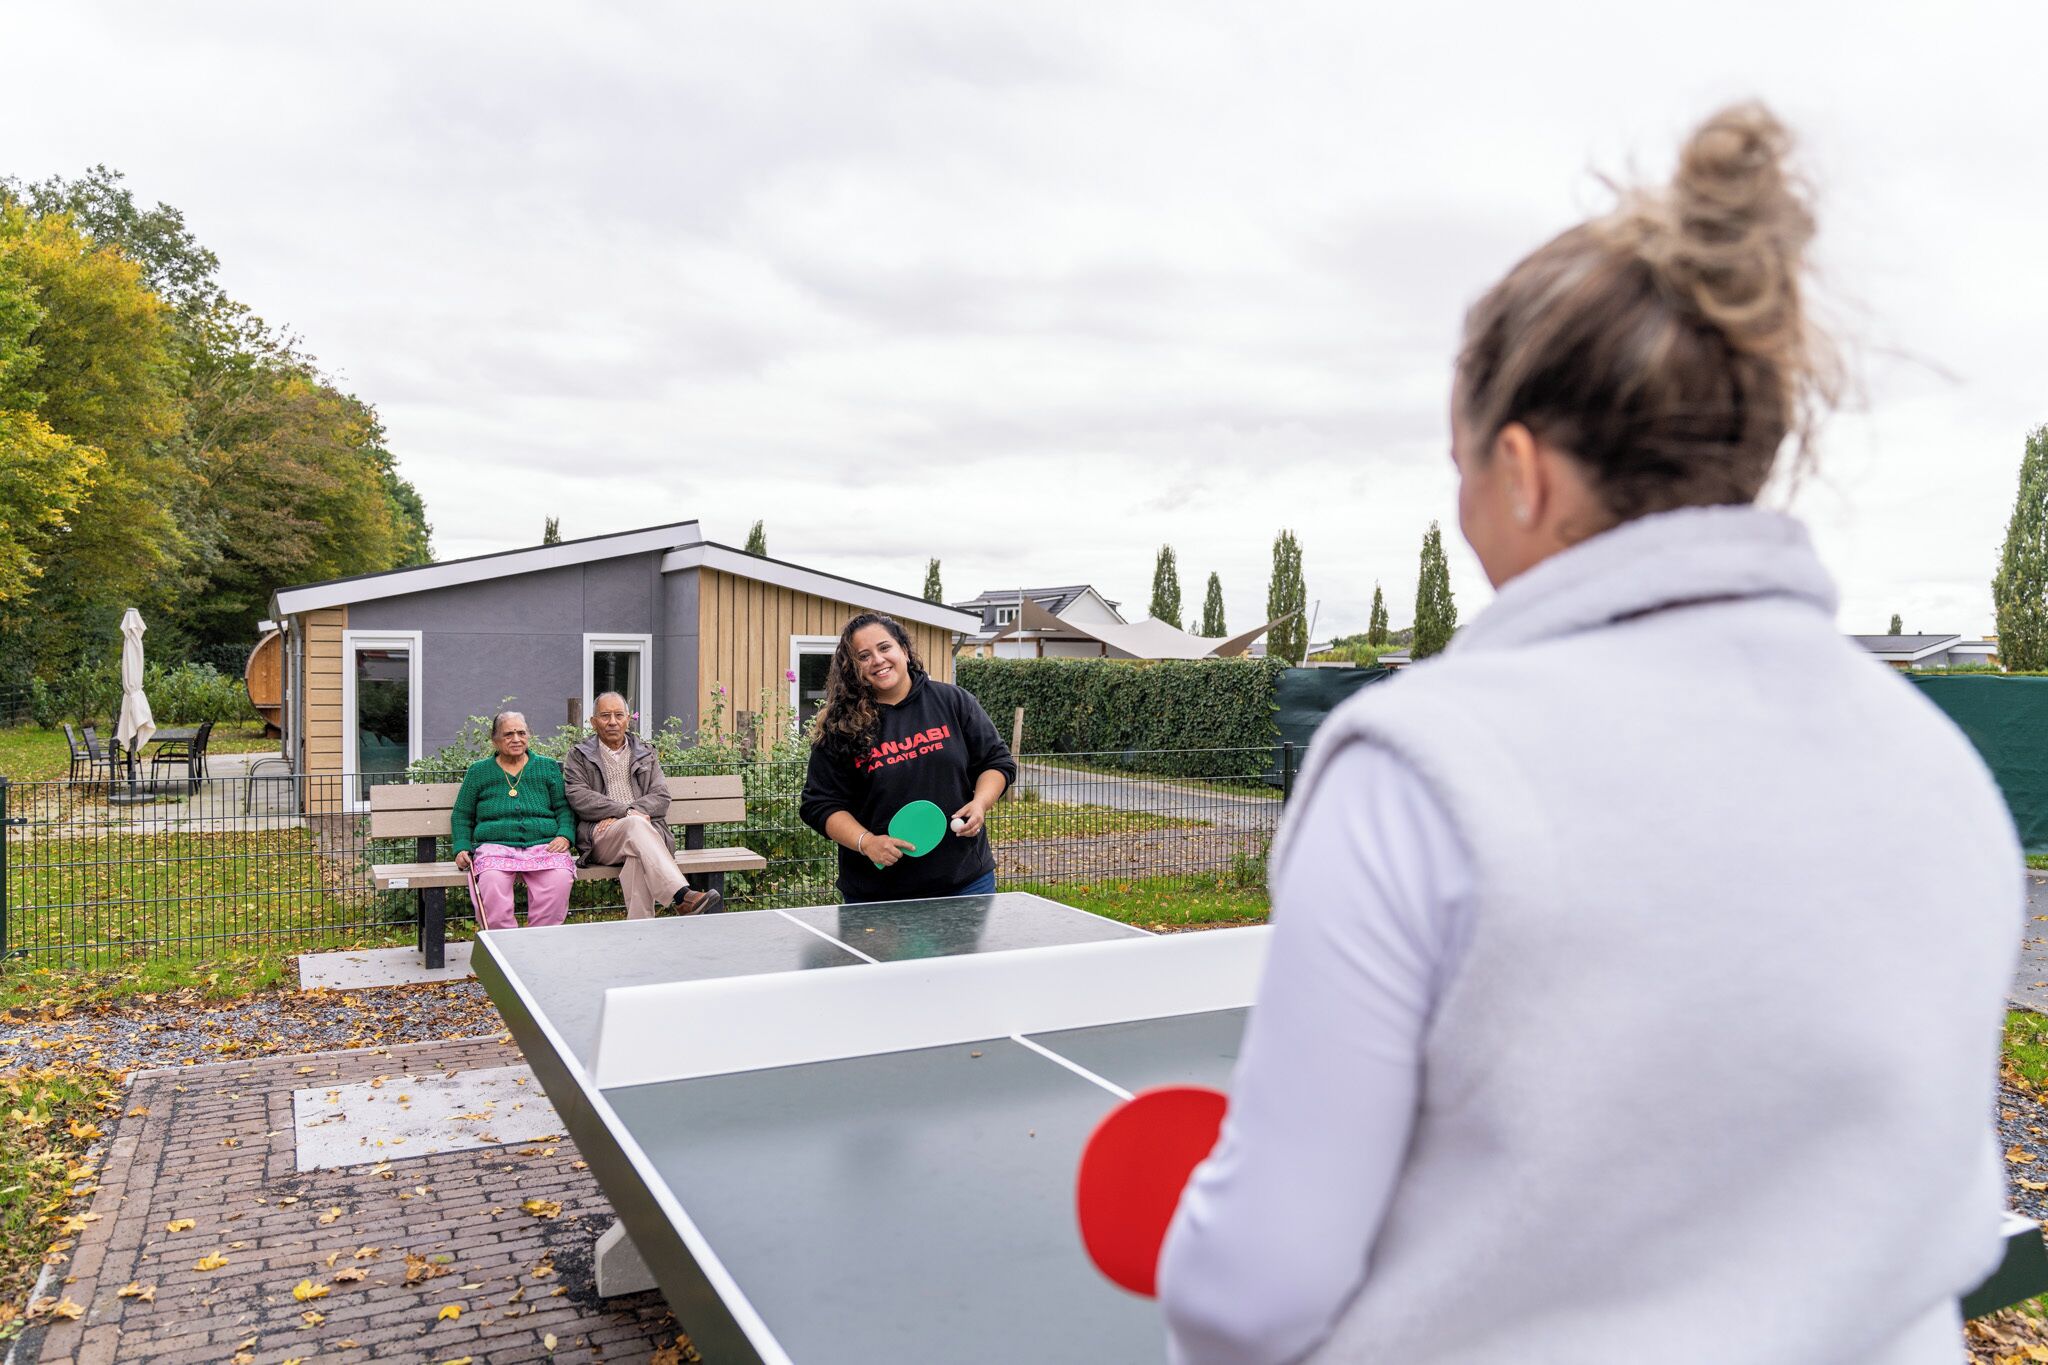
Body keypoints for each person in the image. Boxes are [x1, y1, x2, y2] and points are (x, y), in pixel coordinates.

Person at [1157, 104, 2021, 1363]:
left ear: (1520, 470)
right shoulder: (1941, 768)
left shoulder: (1417, 772)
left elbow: (1251, 1293)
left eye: (1457, 464)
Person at [799, 612, 1017, 902]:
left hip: (965, 883)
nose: (877, 660)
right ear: (853, 668)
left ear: (903, 649)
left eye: (884, 647)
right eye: (863, 656)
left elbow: (996, 762)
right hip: (878, 894)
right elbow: (819, 804)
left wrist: (980, 803)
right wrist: (866, 842)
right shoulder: (840, 726)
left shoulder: (953, 702)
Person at [562, 690, 723, 917]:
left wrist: (631, 815)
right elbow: (579, 796)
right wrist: (626, 812)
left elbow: (661, 796)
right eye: (605, 716)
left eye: (619, 715)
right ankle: (681, 896)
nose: (612, 722)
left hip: (645, 838)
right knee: (635, 825)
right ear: (593, 722)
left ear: (628, 719)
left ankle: (641, 933)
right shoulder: (578, 756)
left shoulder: (646, 753)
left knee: (636, 856)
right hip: (601, 836)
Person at [451, 711, 577, 930]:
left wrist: (565, 834)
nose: (516, 739)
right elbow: (462, 814)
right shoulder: (478, 771)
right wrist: (461, 847)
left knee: (558, 880)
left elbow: (564, 808)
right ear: (495, 740)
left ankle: (540, 943)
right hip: (495, 847)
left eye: (521, 733)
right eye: (508, 734)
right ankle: (503, 948)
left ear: (529, 735)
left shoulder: (547, 767)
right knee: (491, 884)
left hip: (544, 845)